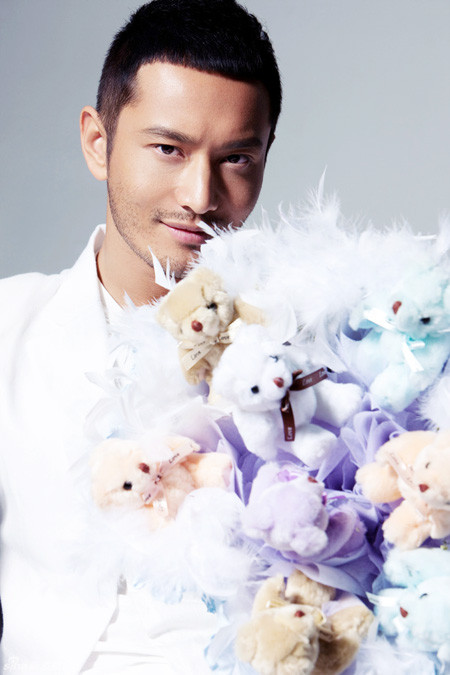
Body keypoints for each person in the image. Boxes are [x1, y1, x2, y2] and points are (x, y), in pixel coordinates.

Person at [0, 0, 281, 672]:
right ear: (98, 143)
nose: (201, 195)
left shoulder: (293, 358)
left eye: (236, 158)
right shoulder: (10, 324)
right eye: (168, 149)